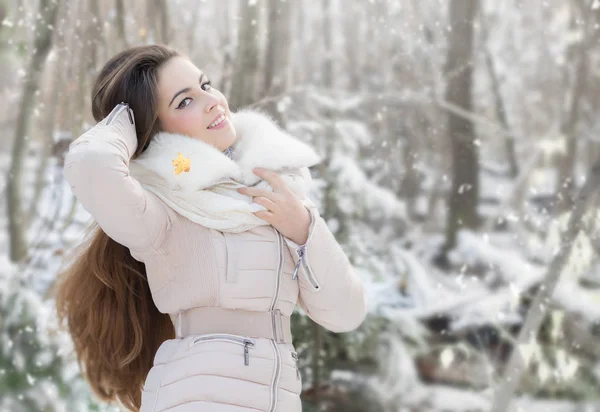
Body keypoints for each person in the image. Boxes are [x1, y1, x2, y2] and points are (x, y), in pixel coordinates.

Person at [54, 44, 367, 412]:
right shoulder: (160, 213)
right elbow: (91, 163)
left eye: (206, 85)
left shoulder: (278, 197)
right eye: (184, 102)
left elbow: (346, 313)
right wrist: (126, 119)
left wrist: (304, 230)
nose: (212, 101)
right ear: (155, 130)